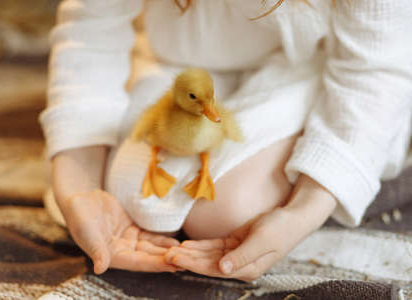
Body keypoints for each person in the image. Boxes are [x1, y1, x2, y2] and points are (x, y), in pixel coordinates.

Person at [40, 0, 412, 281]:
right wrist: (77, 185)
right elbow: (89, 33)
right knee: (134, 199)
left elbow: (375, 72)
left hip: (312, 66)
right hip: (179, 62)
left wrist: (304, 210)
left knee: (227, 211)